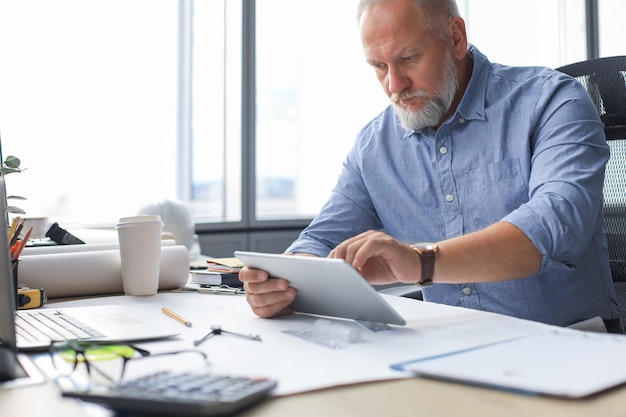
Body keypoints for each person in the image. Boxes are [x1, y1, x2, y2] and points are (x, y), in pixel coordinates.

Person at [240, 0, 621, 332]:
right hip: (450, 347)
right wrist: (283, 283)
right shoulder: (375, 144)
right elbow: (319, 240)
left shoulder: (551, 101)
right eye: (378, 66)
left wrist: (422, 262)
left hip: (564, 346)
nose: (394, 85)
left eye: (407, 58)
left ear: (455, 37)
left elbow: (554, 224)